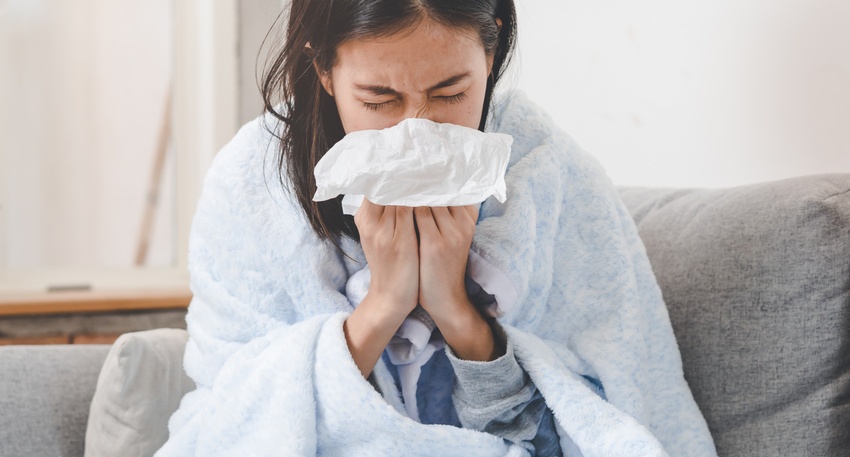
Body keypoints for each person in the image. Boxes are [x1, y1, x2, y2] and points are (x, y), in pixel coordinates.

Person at [156, 0, 716, 455]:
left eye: (451, 94)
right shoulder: (253, 183)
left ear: (490, 53)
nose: (416, 132)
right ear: (324, 68)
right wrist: (385, 304)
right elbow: (231, 420)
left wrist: (455, 308)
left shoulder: (548, 175)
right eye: (379, 99)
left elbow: (591, 417)